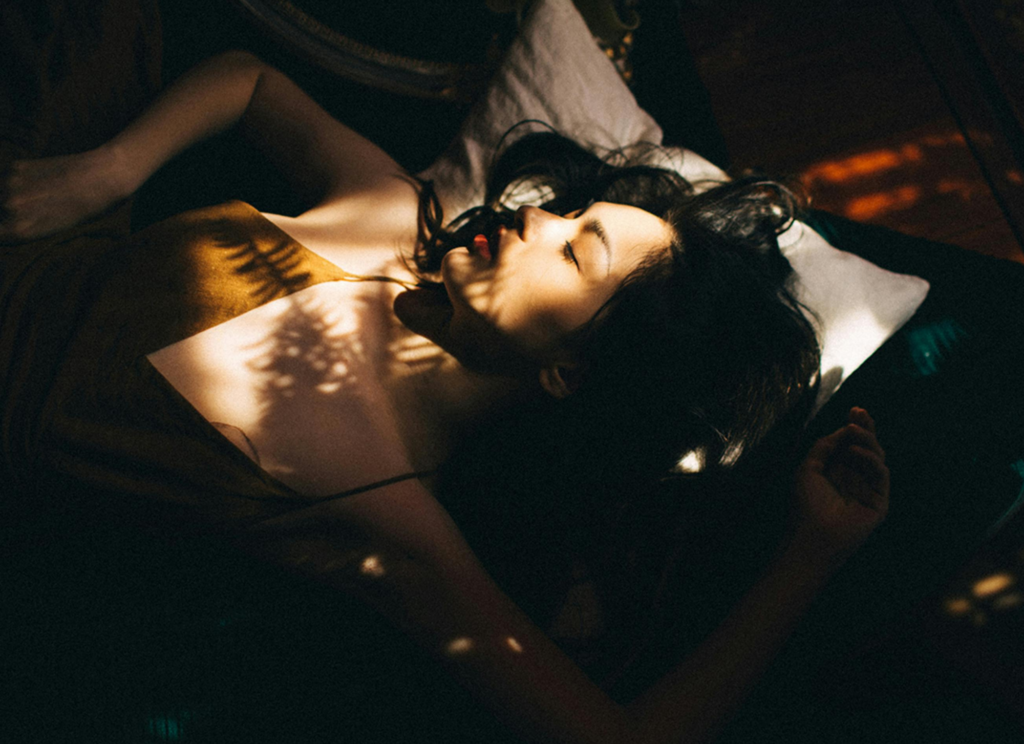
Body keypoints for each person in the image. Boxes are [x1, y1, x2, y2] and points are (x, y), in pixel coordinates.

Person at [1, 48, 890, 744]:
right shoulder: (396, 220)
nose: (537, 217)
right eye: (569, 214)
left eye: (575, 251)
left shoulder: (388, 515)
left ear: (569, 373)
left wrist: (812, 553)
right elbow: (249, 81)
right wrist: (109, 172)